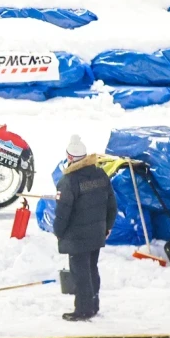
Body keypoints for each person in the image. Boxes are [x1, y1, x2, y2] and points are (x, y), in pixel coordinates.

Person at [53, 135, 117, 321]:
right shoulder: (100, 174)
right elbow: (111, 205)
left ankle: (82, 310)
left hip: (76, 236)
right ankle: (93, 305)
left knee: (80, 273)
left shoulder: (68, 181)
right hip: (96, 234)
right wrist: (107, 227)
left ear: (70, 157)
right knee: (92, 269)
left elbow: (62, 213)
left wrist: (58, 232)